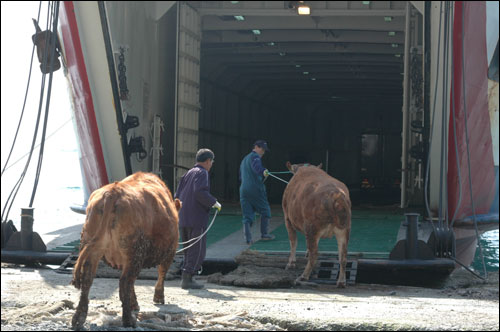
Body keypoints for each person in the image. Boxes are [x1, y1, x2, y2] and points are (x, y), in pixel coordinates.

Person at [175, 148, 221, 289]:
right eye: (211, 161)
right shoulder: (202, 173)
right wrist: (214, 202)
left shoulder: (187, 174)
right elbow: (200, 192)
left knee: (187, 249)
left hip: (183, 217)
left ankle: (186, 276)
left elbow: (177, 194)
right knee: (197, 249)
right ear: (208, 161)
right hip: (197, 217)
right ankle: (188, 278)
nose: (211, 164)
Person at [239, 140, 275, 244]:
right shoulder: (255, 157)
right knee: (265, 211)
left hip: (243, 189)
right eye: (262, 149)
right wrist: (263, 171)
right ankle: (264, 234)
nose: (263, 152)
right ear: (256, 147)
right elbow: (257, 167)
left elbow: (240, 176)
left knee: (247, 215)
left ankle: (248, 239)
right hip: (255, 188)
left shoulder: (244, 159)